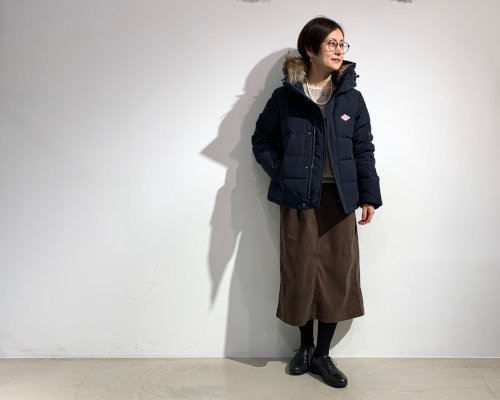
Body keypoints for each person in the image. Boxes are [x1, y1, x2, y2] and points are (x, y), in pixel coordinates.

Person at [251, 17, 382, 388]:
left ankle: (323, 354)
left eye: (343, 44)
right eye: (332, 44)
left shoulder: (352, 99)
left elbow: (363, 149)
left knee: (337, 274)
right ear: (311, 49)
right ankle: (305, 348)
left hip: (339, 199)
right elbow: (261, 140)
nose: (340, 51)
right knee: (300, 272)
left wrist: (369, 195)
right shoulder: (286, 98)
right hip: (299, 197)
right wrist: (283, 172)